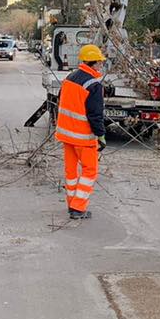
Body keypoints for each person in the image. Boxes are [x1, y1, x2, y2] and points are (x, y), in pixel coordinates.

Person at [54, 43, 107, 220]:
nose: (101, 65)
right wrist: (101, 135)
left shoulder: (70, 77)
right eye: (100, 62)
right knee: (90, 170)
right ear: (95, 63)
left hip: (66, 134)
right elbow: (95, 114)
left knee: (71, 172)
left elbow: (61, 101)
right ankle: (78, 207)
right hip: (83, 137)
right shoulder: (93, 84)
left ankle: (72, 204)